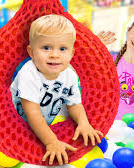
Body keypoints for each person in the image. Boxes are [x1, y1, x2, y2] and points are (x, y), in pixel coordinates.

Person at [10, 14, 103, 166]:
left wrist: (83, 123)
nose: (54, 54)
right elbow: (32, 112)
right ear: (32, 52)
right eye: (46, 48)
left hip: (45, 124)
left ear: (72, 54)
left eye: (62, 49)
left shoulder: (70, 75)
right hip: (17, 126)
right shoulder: (29, 73)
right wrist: (52, 142)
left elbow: (74, 104)